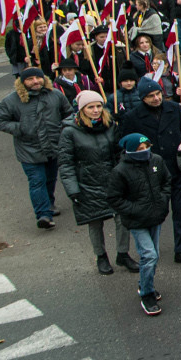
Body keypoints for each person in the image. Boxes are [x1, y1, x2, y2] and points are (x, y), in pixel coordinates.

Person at [118, 81, 181, 267]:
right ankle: (150, 252)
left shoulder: (173, 108)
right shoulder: (133, 117)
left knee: (180, 212)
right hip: (151, 172)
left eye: (158, 94)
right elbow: (125, 145)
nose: (156, 98)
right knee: (154, 213)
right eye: (151, 96)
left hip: (175, 168)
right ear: (142, 98)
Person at [0, 66, 71, 229]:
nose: (35, 81)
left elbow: (69, 114)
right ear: (22, 82)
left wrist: (62, 128)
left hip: (53, 146)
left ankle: (49, 204)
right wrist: (21, 128)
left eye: (38, 78)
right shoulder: (12, 100)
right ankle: (43, 214)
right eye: (30, 79)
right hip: (29, 149)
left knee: (50, 178)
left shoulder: (55, 95)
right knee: (37, 181)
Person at [57, 91, 121, 273]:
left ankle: (122, 253)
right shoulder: (70, 131)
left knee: (122, 218)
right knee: (95, 221)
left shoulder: (110, 125)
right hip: (87, 183)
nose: (96, 110)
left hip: (111, 180)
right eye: (90, 107)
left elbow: (118, 153)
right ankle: (101, 256)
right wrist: (72, 189)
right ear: (82, 109)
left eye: (99, 106)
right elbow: (65, 162)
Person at [109, 133, 172, 315]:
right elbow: (114, 198)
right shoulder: (120, 171)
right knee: (149, 255)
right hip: (136, 221)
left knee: (154, 255)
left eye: (147, 147)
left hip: (155, 217)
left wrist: (162, 200)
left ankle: (145, 283)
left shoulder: (157, 161)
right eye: (140, 149)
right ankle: (147, 294)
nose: (145, 152)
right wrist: (134, 209)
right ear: (129, 151)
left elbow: (166, 182)